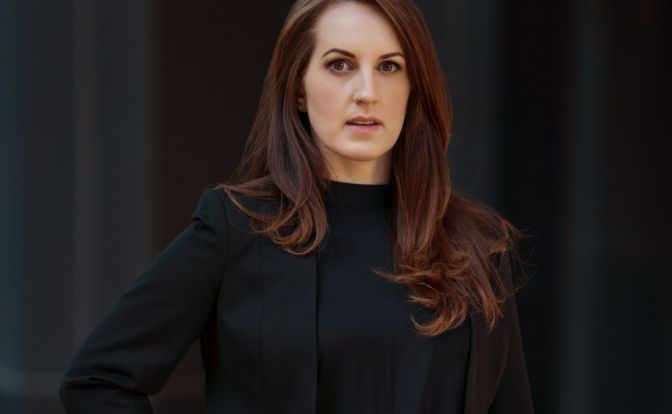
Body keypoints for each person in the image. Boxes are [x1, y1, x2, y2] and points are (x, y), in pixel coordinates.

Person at [60, 0, 534, 413]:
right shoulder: (237, 229)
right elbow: (98, 381)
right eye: (339, 65)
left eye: (389, 66)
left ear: (413, 89)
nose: (367, 92)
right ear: (299, 90)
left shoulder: (477, 246)